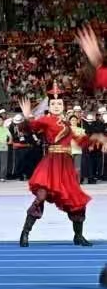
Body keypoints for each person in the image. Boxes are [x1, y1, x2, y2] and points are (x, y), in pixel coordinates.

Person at [18, 84, 104, 247]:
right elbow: (29, 128)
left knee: (76, 198)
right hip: (51, 163)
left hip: (66, 165)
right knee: (41, 196)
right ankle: (25, 232)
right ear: (49, 106)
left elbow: (81, 142)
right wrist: (28, 116)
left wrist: (97, 138)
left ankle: (78, 235)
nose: (56, 106)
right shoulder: (45, 120)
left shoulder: (67, 124)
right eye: (53, 104)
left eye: (59, 103)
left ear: (63, 106)